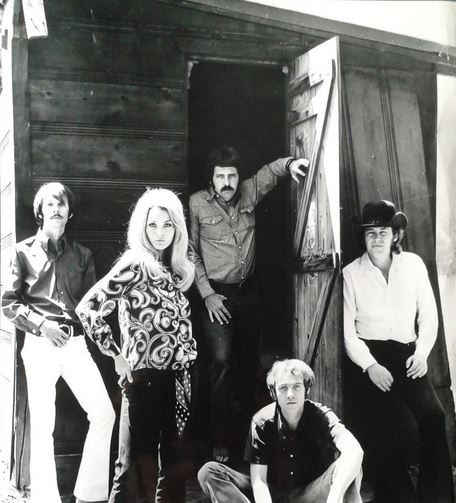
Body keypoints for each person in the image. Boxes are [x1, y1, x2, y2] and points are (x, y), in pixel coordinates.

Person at [189, 145, 309, 462]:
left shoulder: (249, 191)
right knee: (221, 365)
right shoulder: (197, 203)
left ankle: (253, 441)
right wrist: (207, 294)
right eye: (220, 177)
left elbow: (271, 172)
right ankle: (219, 441)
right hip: (216, 296)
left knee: (249, 365)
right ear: (211, 179)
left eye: (232, 176)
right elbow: (191, 253)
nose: (227, 182)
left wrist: (291, 163)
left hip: (248, 293)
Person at [76, 188, 196, 503]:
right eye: (152, 225)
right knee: (132, 471)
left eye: (167, 225)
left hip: (179, 379)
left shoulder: (177, 270)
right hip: (143, 379)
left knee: (174, 468)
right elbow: (88, 309)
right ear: (142, 227)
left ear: (178, 228)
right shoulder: (134, 265)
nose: (160, 233)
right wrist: (115, 355)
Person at [1, 182, 115, 503]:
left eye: (61, 204)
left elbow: (93, 305)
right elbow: (8, 302)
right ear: (40, 212)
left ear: (69, 212)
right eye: (49, 204)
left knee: (104, 413)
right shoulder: (21, 253)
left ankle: (89, 495)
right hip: (40, 345)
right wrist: (41, 325)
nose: (55, 209)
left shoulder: (83, 255)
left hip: (76, 345)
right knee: (42, 427)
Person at [343, 199, 454, 503]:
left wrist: (421, 353)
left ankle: (436, 497)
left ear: (395, 235)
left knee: (433, 416)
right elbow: (348, 334)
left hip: (408, 354)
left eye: (383, 232)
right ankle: (399, 498)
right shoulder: (351, 273)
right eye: (371, 233)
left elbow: (429, 315)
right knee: (381, 426)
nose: (377, 239)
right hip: (371, 358)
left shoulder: (413, 265)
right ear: (363, 237)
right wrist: (370, 366)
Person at [198, 358, 363, 503]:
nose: (290, 394)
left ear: (307, 390)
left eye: (297, 387)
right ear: (274, 393)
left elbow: (355, 451)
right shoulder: (261, 421)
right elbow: (259, 482)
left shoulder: (322, 416)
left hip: (312, 495)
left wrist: (334, 498)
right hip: (273, 495)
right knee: (209, 471)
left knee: (351, 468)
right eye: (283, 388)